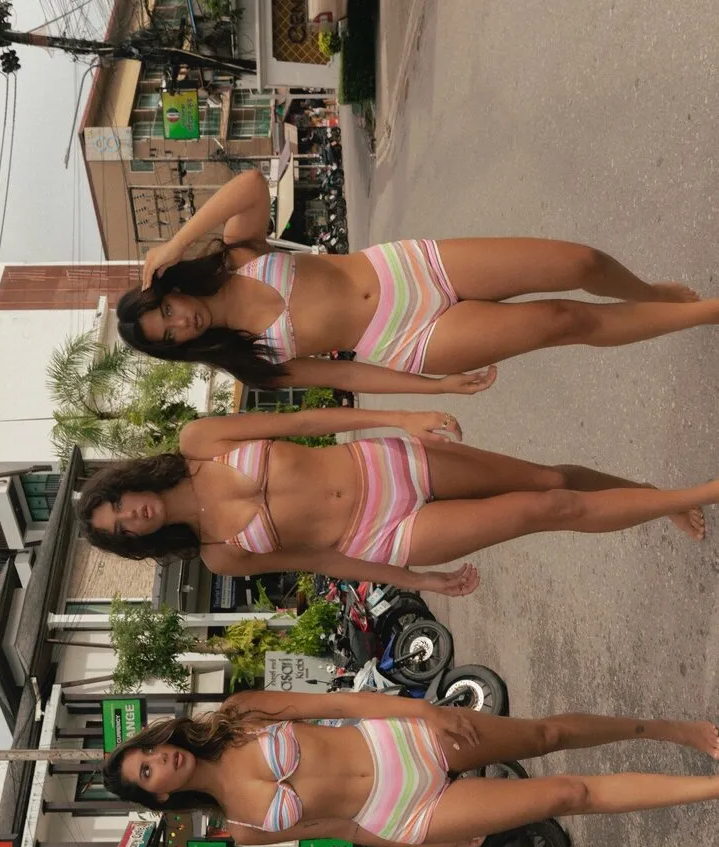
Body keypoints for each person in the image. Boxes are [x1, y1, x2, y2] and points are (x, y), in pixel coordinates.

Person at [114, 169, 713, 396]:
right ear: (178, 348)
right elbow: (347, 376)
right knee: (563, 321)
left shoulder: (238, 255)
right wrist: (435, 389)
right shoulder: (250, 361)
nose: (179, 323)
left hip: (406, 268)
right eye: (168, 336)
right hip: (408, 338)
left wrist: (175, 242)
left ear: (170, 290)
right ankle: (706, 311)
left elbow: (249, 186)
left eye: (165, 311)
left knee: (579, 263)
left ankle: (651, 294)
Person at [75, 406, 712, 595]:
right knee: (544, 510)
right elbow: (324, 562)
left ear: (126, 484)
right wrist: (418, 581)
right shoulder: (219, 555)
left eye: (120, 504)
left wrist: (399, 416)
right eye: (123, 529)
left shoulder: (199, 442)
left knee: (546, 479)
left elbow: (302, 422)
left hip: (381, 462)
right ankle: (685, 497)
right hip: (383, 535)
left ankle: (654, 498)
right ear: (138, 542)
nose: (132, 516)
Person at [101, 689, 719, 847]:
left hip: (398, 742)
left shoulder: (239, 715)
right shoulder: (243, 829)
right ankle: (712, 787)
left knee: (544, 735)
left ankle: (676, 730)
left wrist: (426, 711)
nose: (161, 760)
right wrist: (430, 843)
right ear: (163, 798)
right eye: (149, 774)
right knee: (566, 794)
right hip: (404, 814)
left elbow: (343, 705)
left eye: (149, 752)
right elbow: (344, 830)